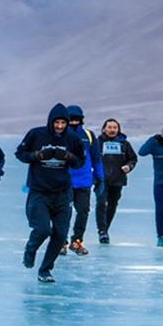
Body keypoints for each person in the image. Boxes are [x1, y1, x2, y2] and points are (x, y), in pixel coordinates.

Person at [15, 103, 84, 283]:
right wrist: (37, 155)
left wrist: (69, 157)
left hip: (62, 192)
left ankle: (45, 269)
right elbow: (20, 154)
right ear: (50, 121)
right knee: (43, 229)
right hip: (40, 191)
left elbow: (80, 162)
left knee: (60, 234)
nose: (59, 126)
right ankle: (31, 248)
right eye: (56, 123)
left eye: (63, 123)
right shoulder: (36, 134)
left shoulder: (73, 138)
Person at [64, 105, 104, 255]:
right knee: (64, 213)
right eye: (71, 119)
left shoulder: (89, 135)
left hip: (84, 181)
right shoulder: (60, 135)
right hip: (64, 182)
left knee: (83, 211)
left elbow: (96, 158)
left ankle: (77, 241)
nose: (74, 122)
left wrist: (100, 178)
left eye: (76, 119)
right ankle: (62, 242)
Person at [95, 118, 138, 244]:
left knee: (112, 205)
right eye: (109, 127)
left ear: (118, 129)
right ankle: (102, 230)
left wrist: (128, 167)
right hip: (101, 179)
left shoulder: (124, 144)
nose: (112, 130)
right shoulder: (98, 143)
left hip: (118, 179)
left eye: (115, 127)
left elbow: (133, 159)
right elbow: (91, 158)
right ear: (104, 129)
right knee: (101, 203)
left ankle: (105, 229)